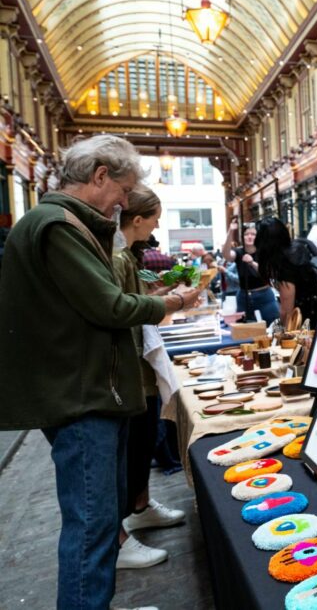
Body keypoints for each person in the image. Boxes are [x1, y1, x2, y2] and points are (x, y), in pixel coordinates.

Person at [0, 135, 201, 609]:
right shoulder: (58, 226)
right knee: (91, 528)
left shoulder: (59, 223)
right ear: (99, 176)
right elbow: (108, 305)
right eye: (124, 189)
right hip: (81, 395)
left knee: (98, 523)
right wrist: (169, 303)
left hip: (84, 389)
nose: (125, 202)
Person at [112, 184, 186, 570]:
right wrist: (170, 301)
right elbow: (124, 307)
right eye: (155, 217)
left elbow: (136, 297)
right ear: (137, 219)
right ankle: (121, 530)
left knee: (144, 440)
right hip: (131, 368)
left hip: (139, 365)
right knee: (137, 442)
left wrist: (160, 293)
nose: (158, 224)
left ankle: (139, 505)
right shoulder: (118, 254)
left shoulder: (127, 255)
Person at [255, 217, 317, 328]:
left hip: (308, 322)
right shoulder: (301, 245)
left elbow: (287, 311)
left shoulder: (285, 261)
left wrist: (281, 334)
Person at [221, 220, 280, 325]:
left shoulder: (263, 251)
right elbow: (226, 255)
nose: (249, 237)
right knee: (245, 329)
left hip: (264, 296)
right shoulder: (239, 252)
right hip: (244, 297)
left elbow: (267, 273)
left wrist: (252, 263)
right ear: (242, 237)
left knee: (273, 325)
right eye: (246, 234)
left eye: (253, 234)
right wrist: (230, 232)